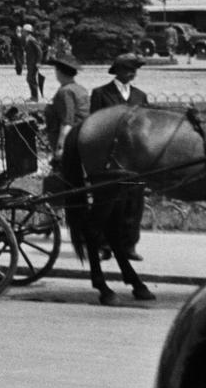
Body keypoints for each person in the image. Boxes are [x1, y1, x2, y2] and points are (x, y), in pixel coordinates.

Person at [90, 52, 150, 262]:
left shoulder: (140, 96)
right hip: (109, 158)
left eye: (134, 71)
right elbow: (94, 125)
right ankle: (102, 245)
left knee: (134, 201)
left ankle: (129, 245)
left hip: (135, 158)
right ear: (118, 71)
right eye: (128, 70)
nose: (132, 74)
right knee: (107, 202)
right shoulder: (101, 94)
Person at [42, 52, 88, 170]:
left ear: (59, 72)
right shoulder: (80, 89)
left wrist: (60, 147)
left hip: (70, 141)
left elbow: (67, 121)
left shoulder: (65, 92)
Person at [21, 24, 44, 101]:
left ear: (27, 31)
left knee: (31, 79)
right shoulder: (27, 39)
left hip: (34, 63)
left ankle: (35, 97)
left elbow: (39, 51)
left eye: (23, 31)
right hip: (30, 63)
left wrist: (38, 62)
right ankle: (33, 96)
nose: (22, 32)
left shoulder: (31, 39)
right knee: (30, 79)